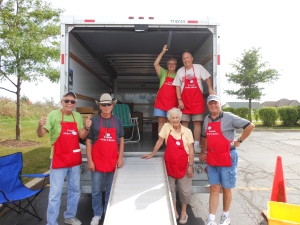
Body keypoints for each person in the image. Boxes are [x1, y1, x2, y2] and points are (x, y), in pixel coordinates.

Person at [37, 91, 92, 225]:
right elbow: (41, 134)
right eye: (66, 101)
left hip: (73, 160)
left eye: (72, 102)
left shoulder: (77, 116)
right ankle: (51, 222)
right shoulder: (53, 115)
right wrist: (39, 125)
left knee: (75, 191)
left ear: (75, 104)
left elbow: (83, 136)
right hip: (58, 160)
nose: (69, 103)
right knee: (55, 194)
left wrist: (87, 127)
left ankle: (69, 216)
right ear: (62, 102)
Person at [200, 95, 255, 225]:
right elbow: (204, 137)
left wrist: (239, 141)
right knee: (214, 187)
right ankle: (211, 219)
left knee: (226, 188)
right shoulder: (207, 119)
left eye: (215, 103)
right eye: (210, 104)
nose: (213, 106)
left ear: (220, 104)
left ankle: (225, 216)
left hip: (227, 156)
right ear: (208, 106)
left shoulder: (229, 117)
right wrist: (203, 151)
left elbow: (250, 125)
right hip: (212, 157)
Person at [141, 107, 194, 224]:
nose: (175, 119)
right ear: (169, 119)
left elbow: (191, 149)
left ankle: (184, 212)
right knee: (171, 189)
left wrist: (190, 165)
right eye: (172, 118)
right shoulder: (166, 127)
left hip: (183, 165)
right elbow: (160, 141)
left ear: (180, 118)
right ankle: (174, 210)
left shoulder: (187, 131)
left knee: (184, 191)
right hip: (169, 165)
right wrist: (152, 154)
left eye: (176, 117)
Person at [86, 93, 124, 225]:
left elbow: (121, 140)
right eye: (104, 104)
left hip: (112, 160)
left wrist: (120, 157)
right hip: (97, 160)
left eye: (109, 104)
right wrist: (90, 160)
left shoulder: (118, 120)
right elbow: (89, 141)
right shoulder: (94, 121)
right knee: (96, 190)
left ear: (113, 105)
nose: (107, 106)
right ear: (100, 106)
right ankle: (97, 214)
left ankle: (108, 212)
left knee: (110, 189)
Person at [172, 51, 215, 153]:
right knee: (184, 122)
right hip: (184, 101)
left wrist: (210, 89)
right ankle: (185, 143)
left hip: (197, 100)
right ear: (182, 61)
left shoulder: (199, 67)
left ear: (192, 59)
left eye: (187, 58)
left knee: (197, 123)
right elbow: (177, 87)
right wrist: (179, 100)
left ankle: (196, 144)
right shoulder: (180, 71)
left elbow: (208, 79)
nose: (186, 60)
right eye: (184, 59)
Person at [153, 45, 178, 134]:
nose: (171, 65)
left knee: (170, 123)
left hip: (173, 104)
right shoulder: (163, 73)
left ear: (176, 65)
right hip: (161, 102)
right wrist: (163, 52)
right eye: (169, 64)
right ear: (167, 65)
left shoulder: (178, 75)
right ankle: (160, 142)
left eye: (173, 63)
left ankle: (169, 143)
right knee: (161, 122)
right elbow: (156, 64)